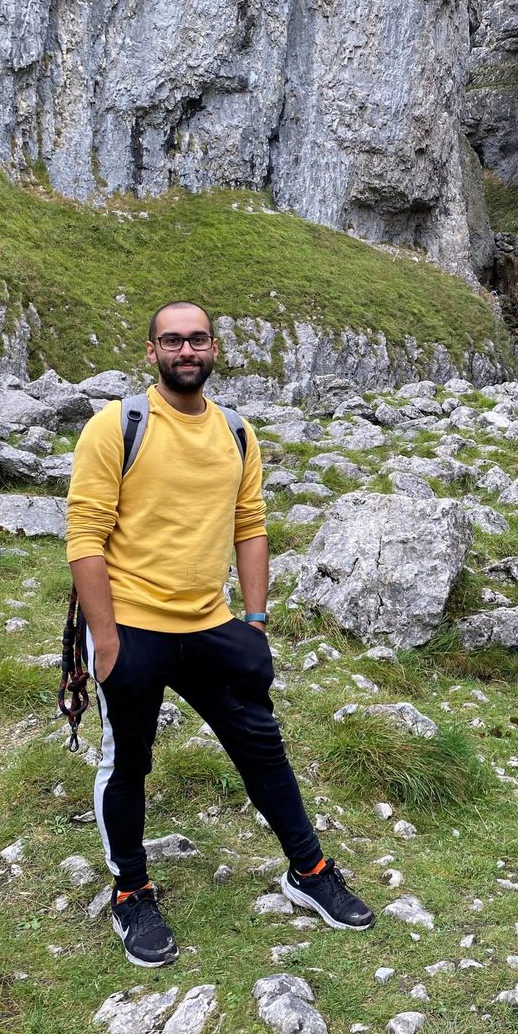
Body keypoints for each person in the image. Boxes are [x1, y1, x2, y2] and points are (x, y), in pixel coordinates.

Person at [66, 301, 374, 968]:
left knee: (263, 747)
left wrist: (256, 621)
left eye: (197, 339)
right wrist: (105, 638)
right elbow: (85, 538)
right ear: (150, 351)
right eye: (172, 340)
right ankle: (131, 891)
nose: (186, 349)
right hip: (133, 626)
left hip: (213, 623)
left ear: (214, 348)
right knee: (128, 762)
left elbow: (250, 525)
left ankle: (309, 870)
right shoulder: (115, 426)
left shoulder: (236, 430)